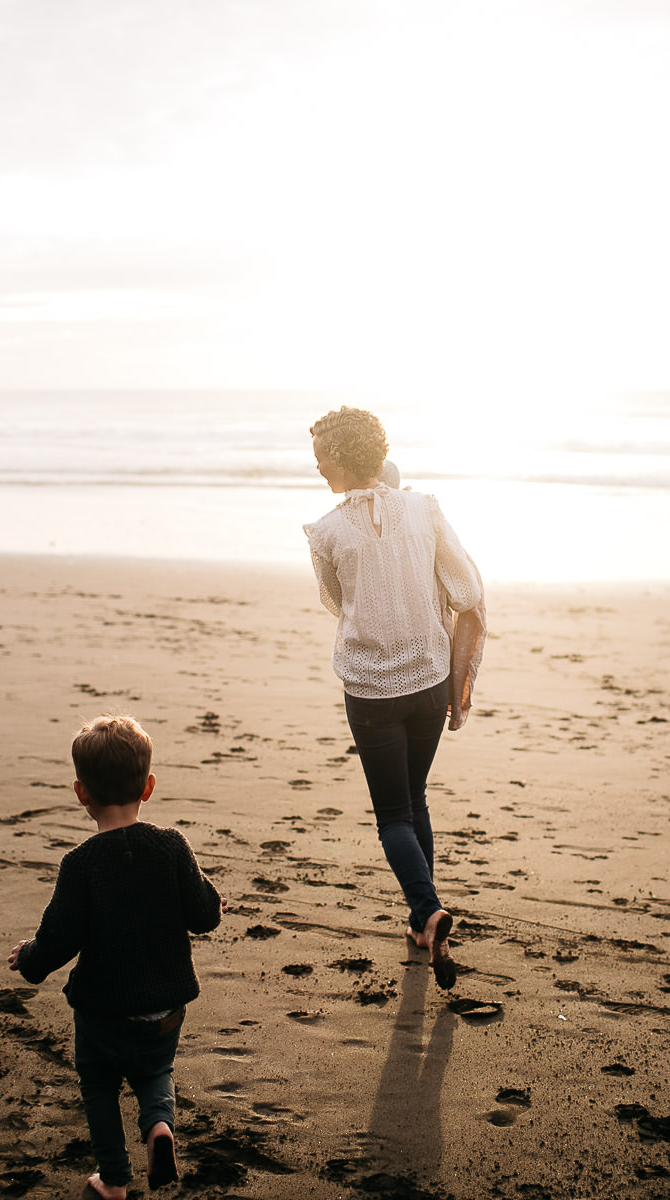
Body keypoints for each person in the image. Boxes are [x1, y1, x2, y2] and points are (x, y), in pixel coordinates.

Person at [304, 406, 484, 989]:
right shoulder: (424, 509)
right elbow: (466, 587)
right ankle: (419, 918)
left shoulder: (327, 531)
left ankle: (429, 912)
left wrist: (378, 592)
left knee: (393, 816)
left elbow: (337, 602)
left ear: (347, 457)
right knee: (415, 799)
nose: (316, 464)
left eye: (322, 455)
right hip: (430, 679)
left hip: (371, 688)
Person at [8, 714, 223, 1200]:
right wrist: (213, 898)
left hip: (103, 1011)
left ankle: (113, 1178)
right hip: (166, 1009)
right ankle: (159, 1129)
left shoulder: (81, 864)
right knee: (156, 1072)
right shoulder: (171, 846)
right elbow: (204, 914)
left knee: (99, 1086)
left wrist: (30, 960)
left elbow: (58, 938)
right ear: (148, 787)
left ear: (81, 793)